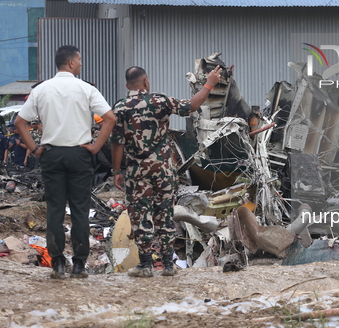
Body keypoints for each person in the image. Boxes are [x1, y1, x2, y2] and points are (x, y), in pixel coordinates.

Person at [15, 45, 115, 280]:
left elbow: (20, 122)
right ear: (71, 63)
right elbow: (110, 118)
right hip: (80, 155)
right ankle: (79, 264)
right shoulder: (86, 89)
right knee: (80, 210)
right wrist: (96, 146)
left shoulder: (42, 90)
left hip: (51, 155)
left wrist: (35, 149)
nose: (81, 63)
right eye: (79, 60)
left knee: (55, 210)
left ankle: (58, 263)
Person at [111, 65, 221, 277]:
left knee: (140, 214)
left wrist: (117, 170)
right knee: (165, 212)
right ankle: (168, 265)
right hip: (162, 169)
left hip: (136, 171)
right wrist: (209, 83)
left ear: (127, 85)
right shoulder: (159, 101)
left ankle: (145, 265)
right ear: (146, 82)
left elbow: (117, 144)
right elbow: (191, 105)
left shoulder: (120, 108)